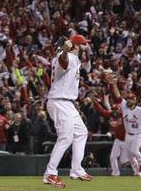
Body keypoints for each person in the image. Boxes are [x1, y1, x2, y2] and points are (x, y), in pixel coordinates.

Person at [43, 35, 92, 187]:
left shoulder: (76, 60)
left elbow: (82, 65)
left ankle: (76, 169)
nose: (86, 46)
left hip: (67, 103)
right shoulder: (67, 57)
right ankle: (50, 173)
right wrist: (64, 51)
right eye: (83, 44)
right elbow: (63, 61)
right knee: (65, 137)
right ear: (75, 45)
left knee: (81, 132)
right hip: (59, 102)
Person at [92, 97, 130, 176]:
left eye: (116, 109)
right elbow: (101, 110)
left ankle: (137, 169)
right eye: (113, 109)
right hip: (118, 139)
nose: (115, 111)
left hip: (126, 140)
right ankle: (115, 173)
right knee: (112, 157)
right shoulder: (111, 115)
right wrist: (96, 103)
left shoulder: (124, 116)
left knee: (123, 160)